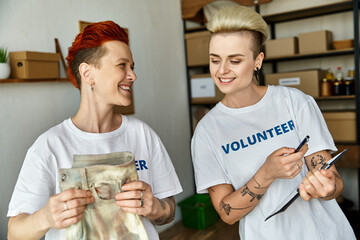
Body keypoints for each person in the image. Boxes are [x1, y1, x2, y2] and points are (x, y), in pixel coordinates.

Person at [191, 6, 356, 240]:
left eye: (235, 60)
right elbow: (227, 213)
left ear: (258, 61)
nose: (222, 70)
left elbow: (334, 181)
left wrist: (329, 188)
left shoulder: (295, 102)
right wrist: (267, 173)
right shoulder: (207, 131)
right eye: (215, 60)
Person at [7, 20, 182, 240]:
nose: (133, 75)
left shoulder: (143, 135)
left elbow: (169, 211)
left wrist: (155, 207)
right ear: (87, 73)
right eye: (122, 65)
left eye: (132, 67)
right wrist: (46, 217)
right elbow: (14, 232)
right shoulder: (49, 146)